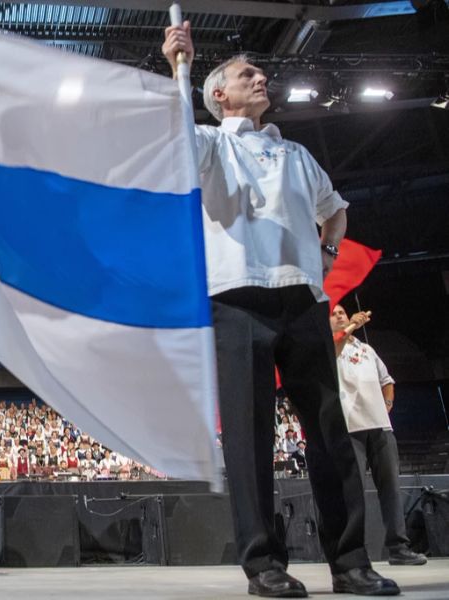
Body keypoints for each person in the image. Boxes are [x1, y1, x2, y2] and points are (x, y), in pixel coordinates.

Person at [162, 23, 398, 597]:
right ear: (220, 95)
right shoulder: (211, 144)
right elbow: (173, 142)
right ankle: (263, 566)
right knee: (249, 441)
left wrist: (328, 249)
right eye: (248, 74)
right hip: (238, 299)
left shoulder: (296, 154)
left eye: (260, 72)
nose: (262, 76)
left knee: (330, 435)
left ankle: (350, 564)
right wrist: (180, 70)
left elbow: (335, 210)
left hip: (303, 299)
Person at [330, 305, 427, 566]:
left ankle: (398, 547)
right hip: (351, 428)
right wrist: (350, 326)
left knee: (391, 490)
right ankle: (354, 552)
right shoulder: (330, 348)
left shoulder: (366, 349)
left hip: (381, 427)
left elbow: (388, 379)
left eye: (342, 312)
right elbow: (334, 347)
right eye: (334, 314)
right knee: (354, 493)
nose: (340, 315)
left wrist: (388, 403)